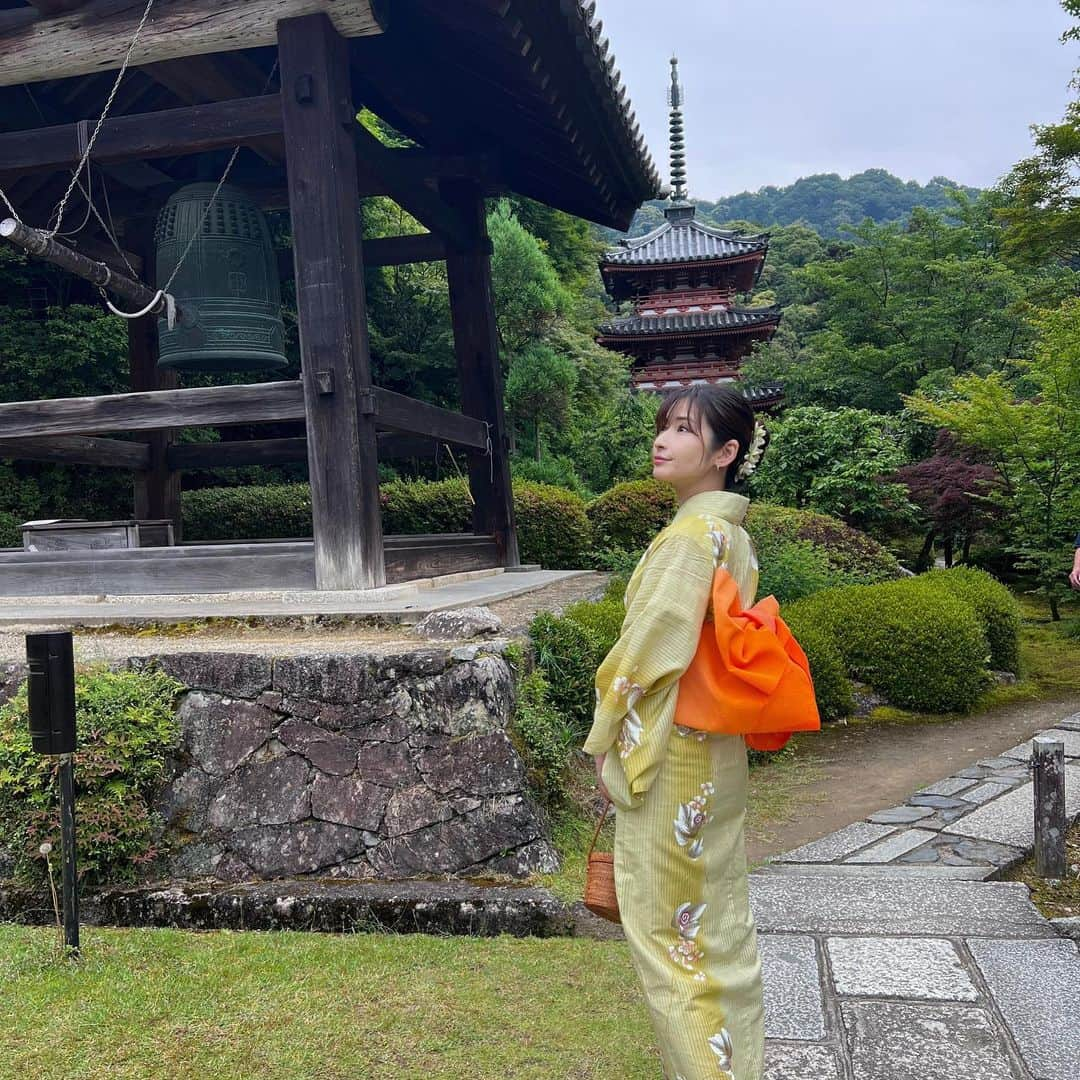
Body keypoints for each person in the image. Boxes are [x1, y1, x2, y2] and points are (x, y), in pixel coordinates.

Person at [583, 383, 768, 1080]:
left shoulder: (690, 537)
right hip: (715, 752)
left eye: (684, 430)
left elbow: (644, 656)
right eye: (663, 426)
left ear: (726, 452)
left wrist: (605, 736)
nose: (662, 440)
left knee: (673, 943)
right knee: (715, 929)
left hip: (673, 756)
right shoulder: (731, 534)